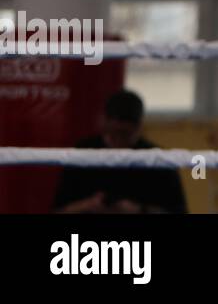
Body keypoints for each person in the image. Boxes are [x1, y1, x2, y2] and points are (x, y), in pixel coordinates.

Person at [53, 90, 187, 214]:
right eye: (113, 134)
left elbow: (179, 212)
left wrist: (139, 210)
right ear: (103, 123)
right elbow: (58, 210)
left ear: (139, 127)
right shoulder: (83, 154)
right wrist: (86, 206)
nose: (119, 142)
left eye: (125, 134)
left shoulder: (158, 160)